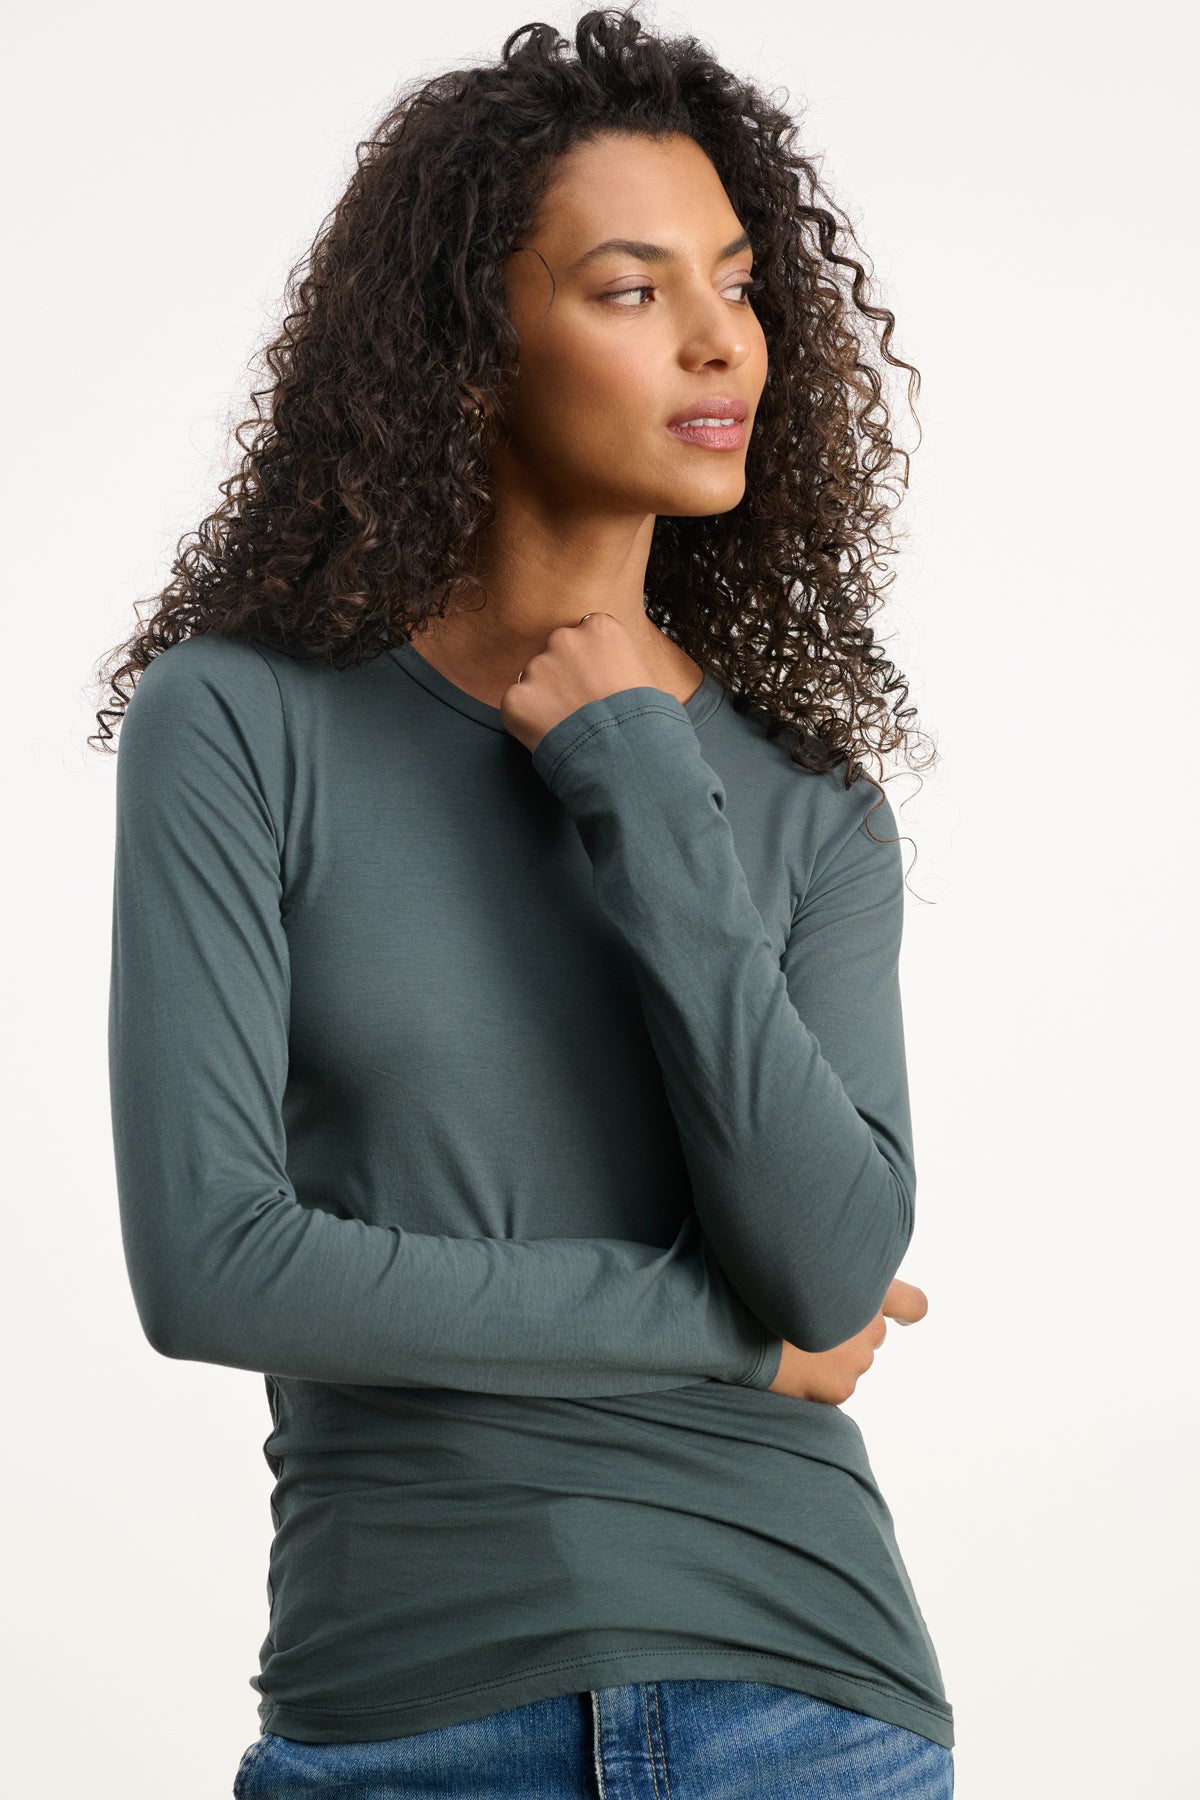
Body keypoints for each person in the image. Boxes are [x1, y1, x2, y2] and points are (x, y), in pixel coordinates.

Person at [94, 9, 955, 1796]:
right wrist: (736, 1340)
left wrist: (643, 778)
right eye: (632, 290)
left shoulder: (805, 808)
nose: (724, 339)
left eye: (735, 278)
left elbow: (829, 1257)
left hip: (808, 1703)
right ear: (473, 349)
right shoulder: (241, 722)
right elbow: (215, 1262)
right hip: (408, 1704)